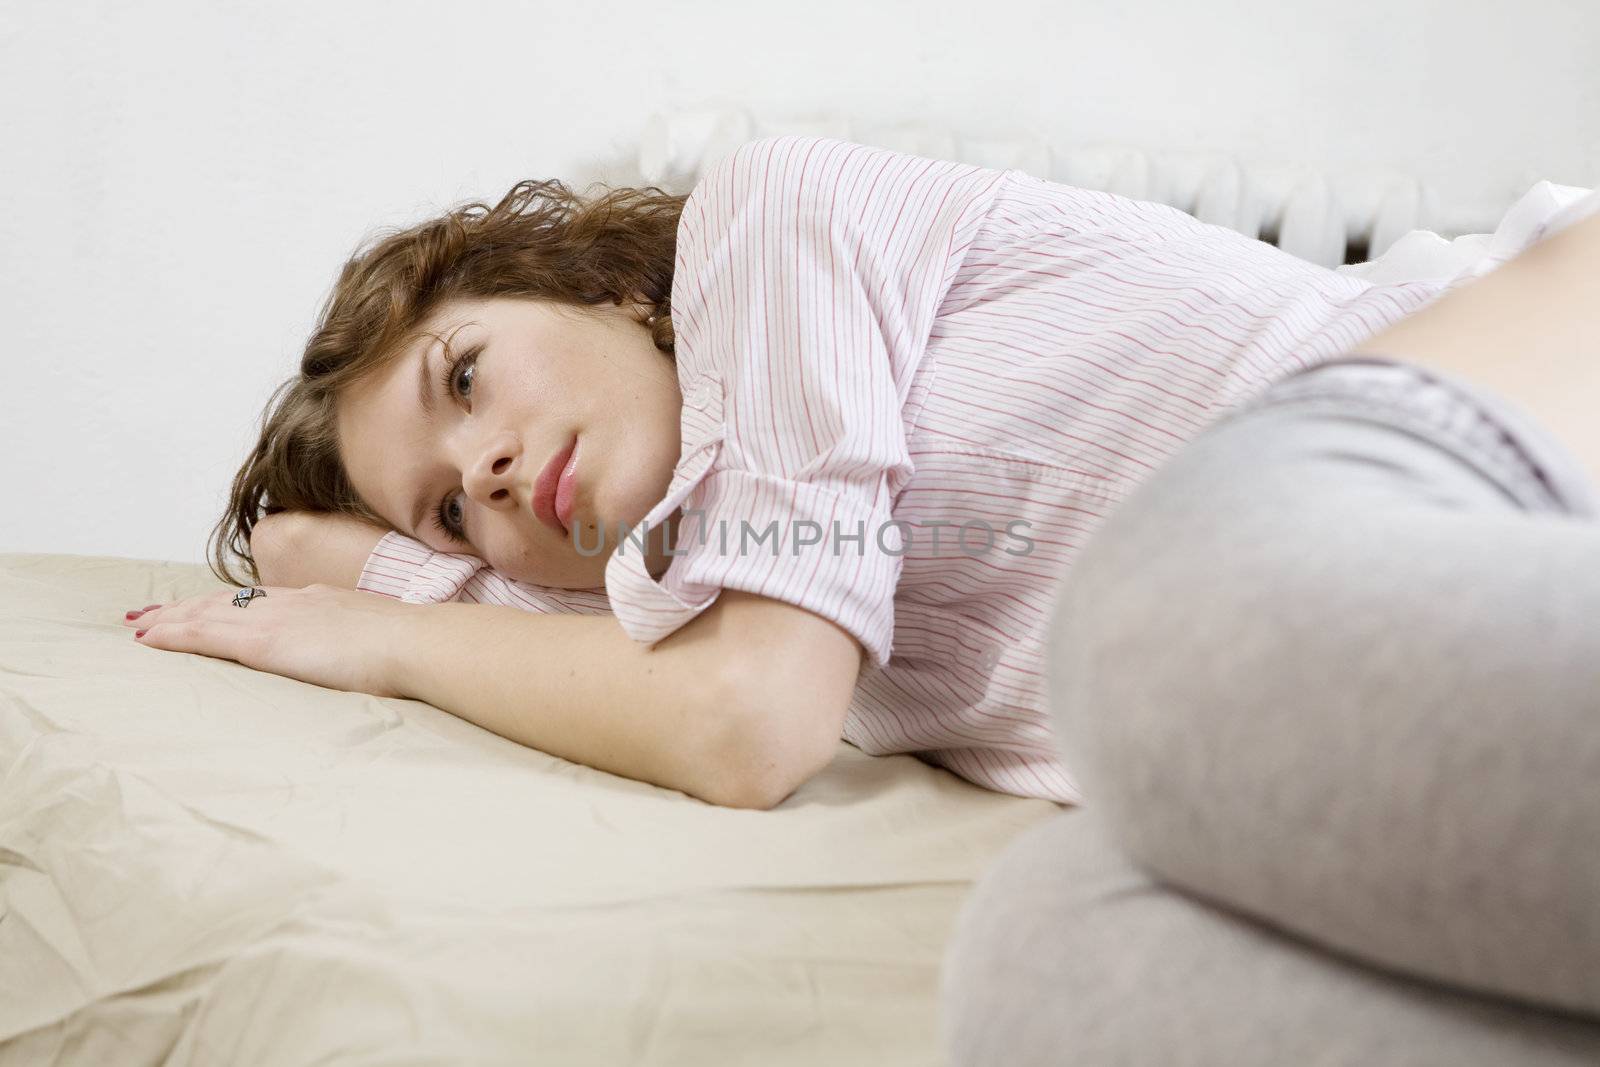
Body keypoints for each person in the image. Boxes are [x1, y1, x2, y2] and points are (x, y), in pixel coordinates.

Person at [123, 134, 1594, 820]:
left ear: (593, 288)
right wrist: (378, 562)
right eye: (450, 504)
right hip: (1338, 660)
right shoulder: (674, 591)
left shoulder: (766, 230)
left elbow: (748, 728)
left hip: (1503, 406)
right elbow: (651, 671)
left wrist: (388, 622)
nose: (490, 470)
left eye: (467, 376)